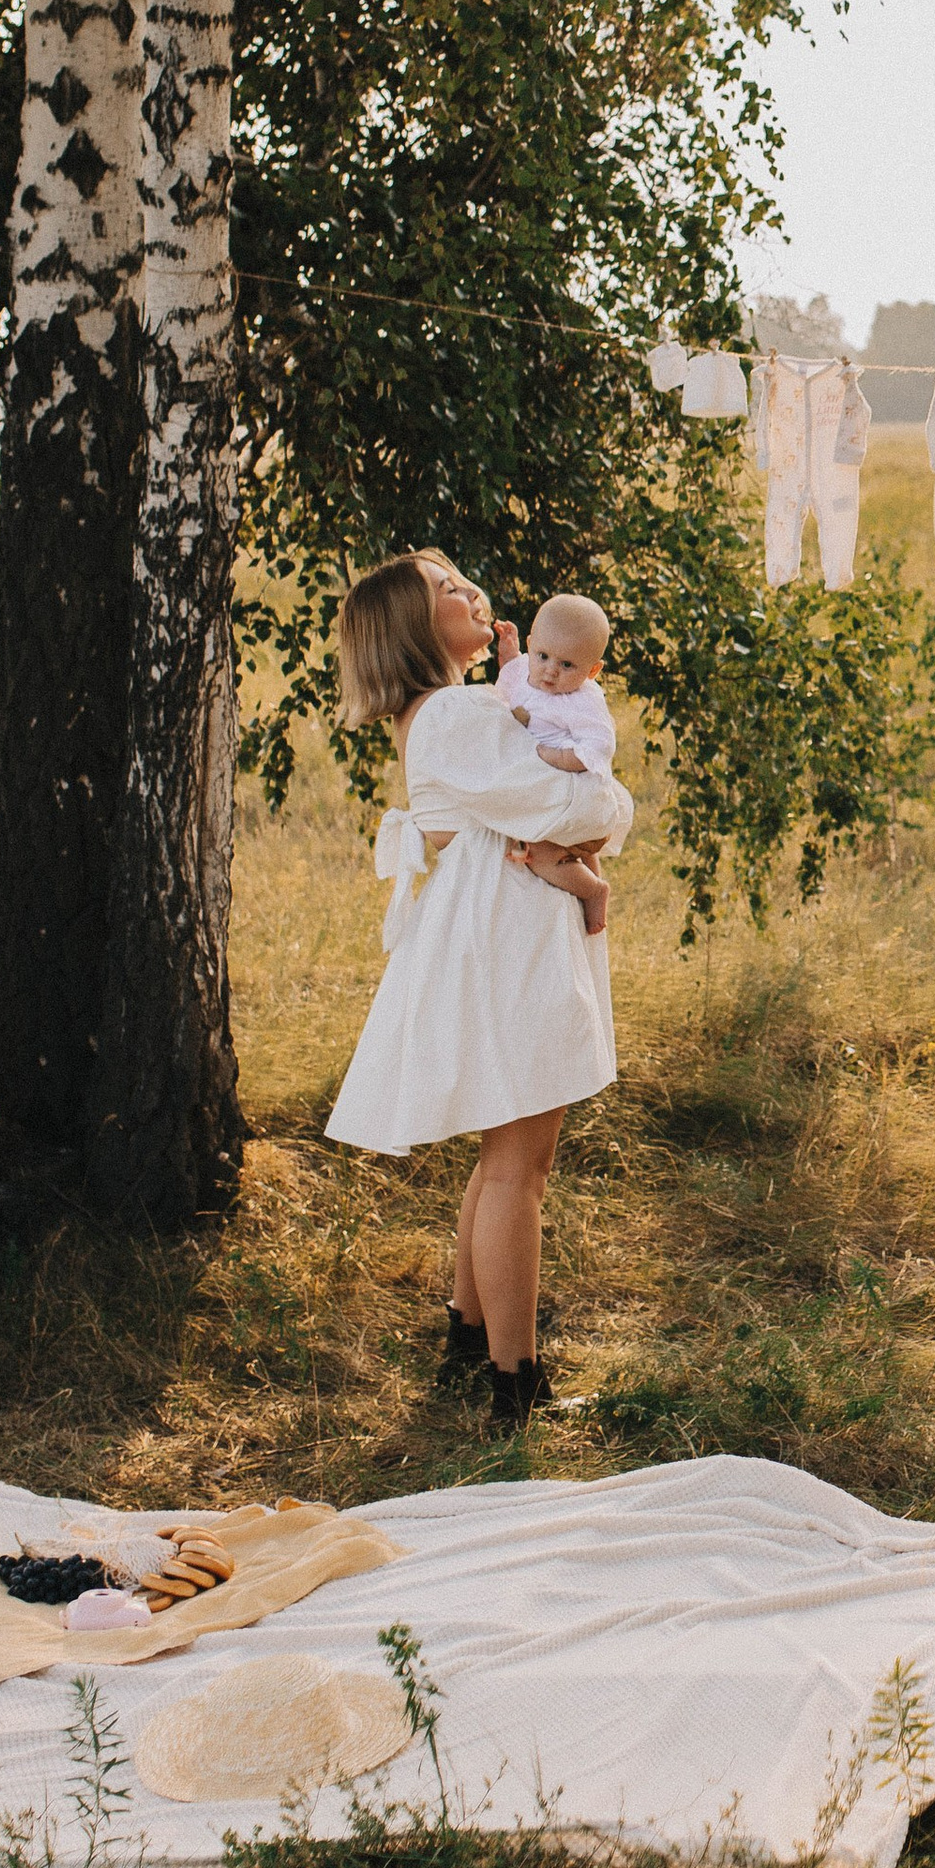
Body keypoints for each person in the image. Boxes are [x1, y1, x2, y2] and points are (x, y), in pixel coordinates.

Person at [325, 550, 634, 1425]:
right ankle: (516, 1380)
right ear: (415, 630)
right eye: (445, 590)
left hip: (501, 940)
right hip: (508, 950)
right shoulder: (458, 713)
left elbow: (547, 801)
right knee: (519, 1171)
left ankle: (469, 1336)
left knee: (505, 1159)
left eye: (460, 579)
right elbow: (574, 809)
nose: (468, 591)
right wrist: (609, 803)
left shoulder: (468, 707)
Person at [493, 593, 618, 935]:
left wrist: (560, 758)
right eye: (543, 655)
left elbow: (600, 744)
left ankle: (594, 891)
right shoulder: (525, 668)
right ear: (531, 646)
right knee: (573, 848)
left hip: (574, 787)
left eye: (567, 665)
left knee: (541, 853)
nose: (550, 670)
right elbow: (513, 679)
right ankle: (590, 884)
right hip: (552, 787)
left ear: (592, 671)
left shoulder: (581, 700)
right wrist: (509, 654)